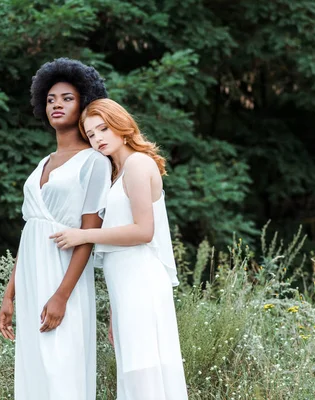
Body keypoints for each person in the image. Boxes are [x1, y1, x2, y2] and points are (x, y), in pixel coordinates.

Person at [50, 99, 188, 400]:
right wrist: (115, 308)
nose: (98, 138)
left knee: (145, 370)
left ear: (122, 128)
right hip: (126, 286)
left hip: (142, 281)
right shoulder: (118, 172)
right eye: (91, 134)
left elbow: (143, 231)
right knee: (133, 371)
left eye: (103, 128)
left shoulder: (138, 164)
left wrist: (83, 235)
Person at [0, 58, 111, 400]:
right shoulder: (42, 163)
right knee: (35, 369)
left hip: (65, 280)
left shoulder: (94, 162)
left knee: (62, 367)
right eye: (50, 99)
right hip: (32, 279)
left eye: (67, 98)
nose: (57, 104)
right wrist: (10, 292)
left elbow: (89, 235)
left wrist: (62, 296)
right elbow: (31, 230)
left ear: (84, 104)